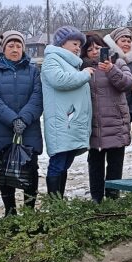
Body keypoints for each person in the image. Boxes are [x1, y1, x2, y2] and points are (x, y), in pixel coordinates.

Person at [0, 30, 43, 215]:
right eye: (11, 46)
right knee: (5, 171)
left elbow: (37, 98)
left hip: (28, 129)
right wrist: (12, 119)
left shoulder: (33, 71)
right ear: (4, 49)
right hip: (2, 130)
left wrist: (23, 119)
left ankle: (29, 213)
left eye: (18, 46)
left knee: (30, 171)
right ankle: (10, 213)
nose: (15, 49)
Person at [41, 26, 93, 197]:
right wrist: (85, 75)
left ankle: (59, 201)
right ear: (62, 43)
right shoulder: (52, 59)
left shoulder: (71, 63)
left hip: (69, 121)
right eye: (74, 44)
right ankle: (54, 203)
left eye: (79, 45)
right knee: (58, 163)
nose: (78, 48)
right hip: (61, 121)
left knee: (64, 164)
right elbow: (59, 80)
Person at [81, 33, 132, 202]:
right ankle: (96, 200)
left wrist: (111, 69)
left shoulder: (118, 62)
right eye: (89, 49)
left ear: (105, 47)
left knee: (115, 164)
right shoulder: (82, 68)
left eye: (97, 47)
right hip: (94, 124)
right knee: (95, 164)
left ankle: (113, 199)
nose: (94, 52)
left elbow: (127, 84)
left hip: (116, 122)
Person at [103, 25, 132, 123]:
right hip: (107, 112)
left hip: (126, 114)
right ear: (114, 42)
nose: (127, 44)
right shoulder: (107, 61)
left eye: (129, 41)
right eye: (123, 41)